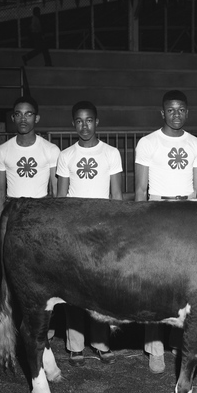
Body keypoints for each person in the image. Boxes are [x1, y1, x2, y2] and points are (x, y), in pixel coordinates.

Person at [134, 90, 197, 373]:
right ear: (162, 112)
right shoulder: (147, 142)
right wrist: (140, 224)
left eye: (181, 109)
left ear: (187, 112)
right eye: (170, 110)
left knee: (186, 284)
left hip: (187, 213)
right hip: (157, 213)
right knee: (156, 285)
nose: (176, 114)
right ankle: (154, 348)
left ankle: (179, 342)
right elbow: (140, 189)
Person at [56, 100, 123, 367]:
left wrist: (117, 229)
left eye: (90, 120)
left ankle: (101, 342)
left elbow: (116, 195)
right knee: (73, 289)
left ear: (97, 122)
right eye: (79, 121)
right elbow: (61, 197)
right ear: (74, 124)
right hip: (74, 230)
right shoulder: (66, 155)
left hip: (102, 229)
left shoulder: (111, 153)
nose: (85, 125)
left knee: (100, 288)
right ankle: (75, 345)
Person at [0, 95, 60, 221]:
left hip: (41, 212)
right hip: (13, 212)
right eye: (18, 114)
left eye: (28, 114)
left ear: (37, 118)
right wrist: (0, 224)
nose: (23, 119)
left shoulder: (51, 150)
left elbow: (56, 191)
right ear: (13, 118)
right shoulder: (1, 150)